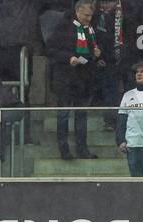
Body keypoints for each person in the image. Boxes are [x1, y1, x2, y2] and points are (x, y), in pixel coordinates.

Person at [49, 0, 104, 160]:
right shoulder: (63, 26)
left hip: (84, 78)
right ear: (77, 11)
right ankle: (64, 150)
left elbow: (90, 51)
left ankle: (82, 149)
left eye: (91, 15)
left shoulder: (90, 29)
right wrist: (69, 58)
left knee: (82, 115)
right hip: (65, 78)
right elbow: (51, 49)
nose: (89, 18)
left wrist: (96, 53)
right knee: (63, 115)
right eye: (86, 15)